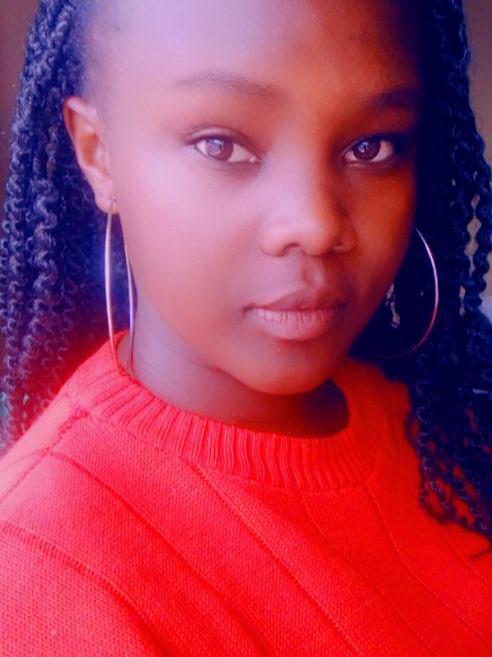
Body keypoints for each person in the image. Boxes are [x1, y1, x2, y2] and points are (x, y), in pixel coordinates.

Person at [0, 0, 491, 654]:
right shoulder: (38, 571)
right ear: (99, 154)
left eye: (371, 146)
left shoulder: (454, 422)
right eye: (222, 145)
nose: (314, 223)